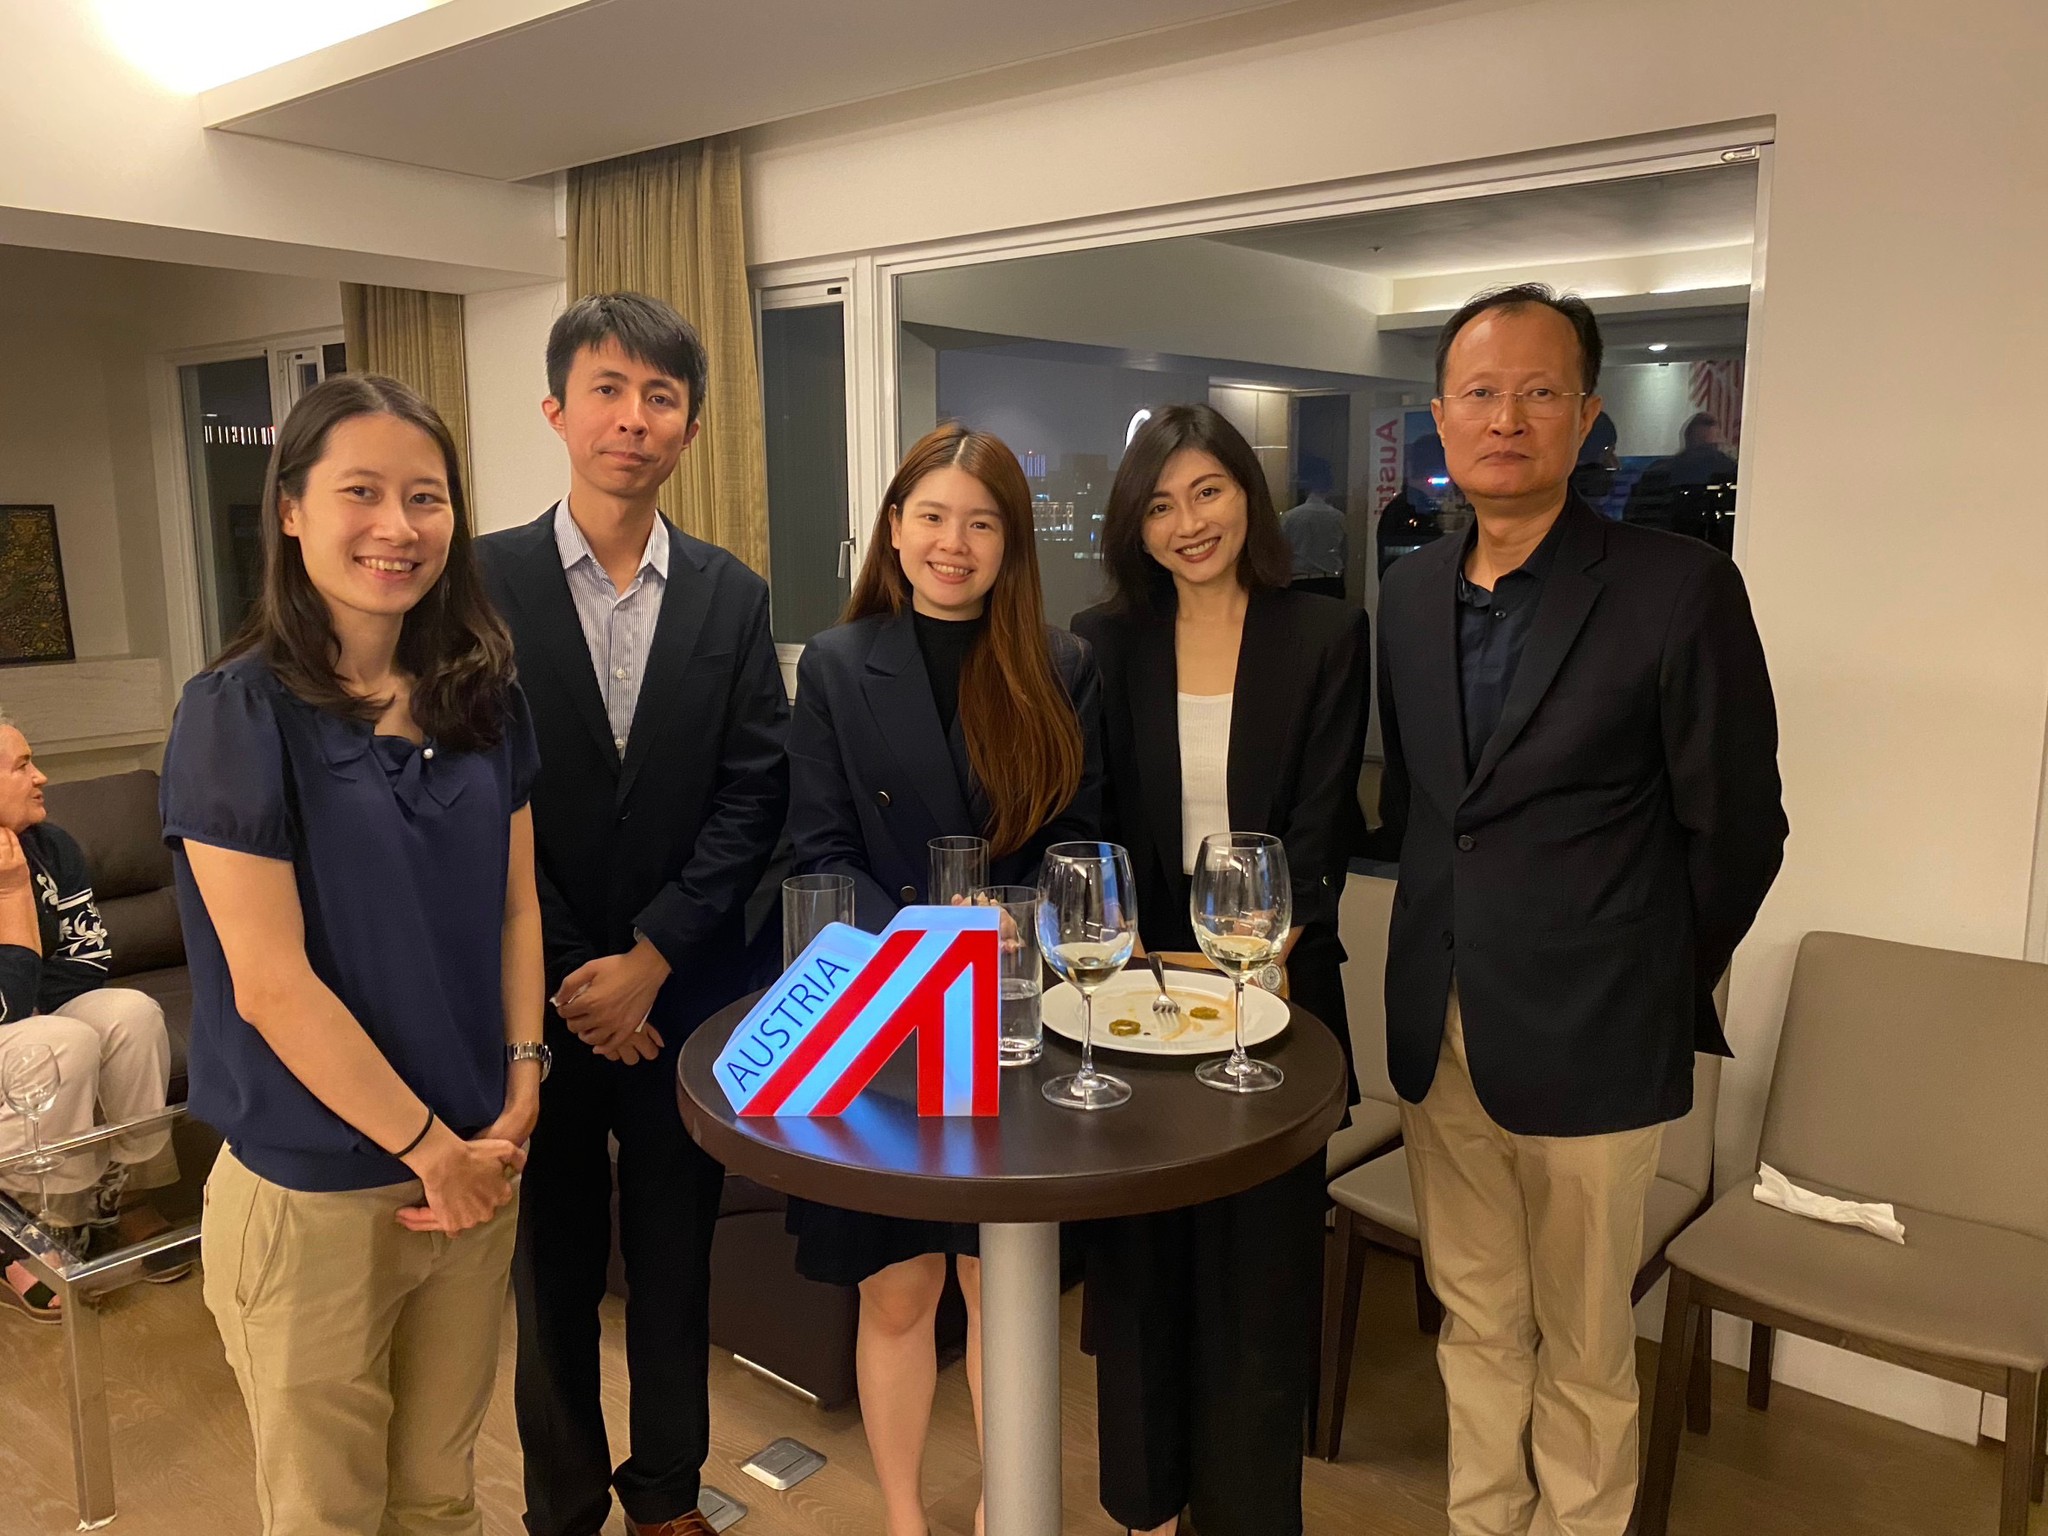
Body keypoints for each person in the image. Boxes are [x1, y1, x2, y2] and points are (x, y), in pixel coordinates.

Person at [1375, 284, 1785, 1536]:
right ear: (1440, 416)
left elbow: (1738, 830)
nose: (1506, 418)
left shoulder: (1676, 587)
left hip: (1598, 1035)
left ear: (1587, 415)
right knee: (1475, 1322)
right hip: (1441, 1026)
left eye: (1538, 392)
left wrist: (1646, 976)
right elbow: (1427, 810)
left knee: (1586, 1345)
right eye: (1480, 393)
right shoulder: (1407, 593)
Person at [160, 373, 545, 1535]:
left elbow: (515, 910)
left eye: (425, 497)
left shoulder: (483, 695)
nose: (398, 526)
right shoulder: (235, 712)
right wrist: (431, 1151)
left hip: (477, 1165)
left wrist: (523, 1077)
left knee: (440, 1496)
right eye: (360, 492)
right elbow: (271, 985)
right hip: (316, 1191)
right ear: (290, 510)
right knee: (328, 1513)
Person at [478, 292, 790, 1536]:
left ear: (691, 428)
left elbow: (753, 791)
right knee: (548, 1274)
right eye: (607, 390)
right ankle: (561, 1508)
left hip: (681, 1001)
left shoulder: (730, 594)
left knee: (674, 1263)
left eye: (660, 397)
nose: (632, 418)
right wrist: (576, 973)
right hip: (534, 1001)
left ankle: (665, 1496)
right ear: (557, 410)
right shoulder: (478, 582)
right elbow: (473, 789)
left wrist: (653, 954)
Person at [782, 422, 1102, 1536]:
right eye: (930, 517)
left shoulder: (1059, 665)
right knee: (898, 1285)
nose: (951, 543)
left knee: (999, 1286)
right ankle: (905, 1515)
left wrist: (1005, 936)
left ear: (1012, 543)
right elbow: (818, 852)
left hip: (1014, 1017)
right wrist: (926, 952)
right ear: (894, 528)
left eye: (980, 522)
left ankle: (1006, 1510)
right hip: (883, 1016)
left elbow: (1080, 845)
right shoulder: (835, 665)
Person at [1072, 402, 1369, 1536]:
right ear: (1133, 526)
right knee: (1144, 1274)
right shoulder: (1102, 644)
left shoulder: (1323, 633)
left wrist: (1251, 953)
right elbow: (1096, 827)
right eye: (1159, 505)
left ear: (1248, 493)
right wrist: (1144, 960)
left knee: (1257, 1287)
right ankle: (1146, 1510)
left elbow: (1321, 828)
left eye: (1207, 492)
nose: (1188, 523)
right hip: (1138, 1002)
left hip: (1276, 999)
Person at [0, 713, 173, 1322]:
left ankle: (126, 1196)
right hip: (26, 1031)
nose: (41, 777)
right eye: (22, 766)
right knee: (59, 1041)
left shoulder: (52, 846)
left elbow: (89, 957)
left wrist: (29, 995)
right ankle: (36, 1228)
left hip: (37, 1012)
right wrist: (11, 897)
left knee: (132, 1013)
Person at [1280, 470, 1347, 599]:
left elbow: (1282, 551)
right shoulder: (1338, 517)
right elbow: (1343, 552)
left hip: (1299, 581)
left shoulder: (1289, 517)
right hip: (1331, 581)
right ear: (1328, 490)